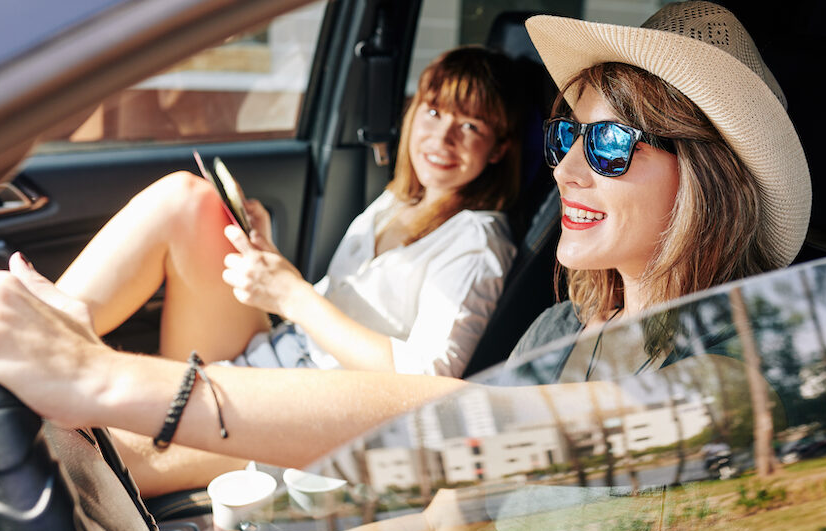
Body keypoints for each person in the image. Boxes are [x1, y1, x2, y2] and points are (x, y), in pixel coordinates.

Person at [0, 1, 810, 531]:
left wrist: (107, 380)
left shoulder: (734, 370)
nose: (567, 165)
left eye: (613, 143)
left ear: (705, 175)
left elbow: (460, 422)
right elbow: (454, 515)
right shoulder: (558, 327)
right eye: (566, 131)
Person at [51, 46, 525, 493]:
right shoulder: (401, 199)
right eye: (435, 112)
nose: (442, 138)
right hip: (276, 355)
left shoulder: (477, 241)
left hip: (310, 413)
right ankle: (44, 326)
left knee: (79, 446)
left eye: (471, 128)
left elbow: (429, 382)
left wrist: (292, 295)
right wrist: (274, 260)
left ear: (499, 149)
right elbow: (344, 303)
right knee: (186, 199)